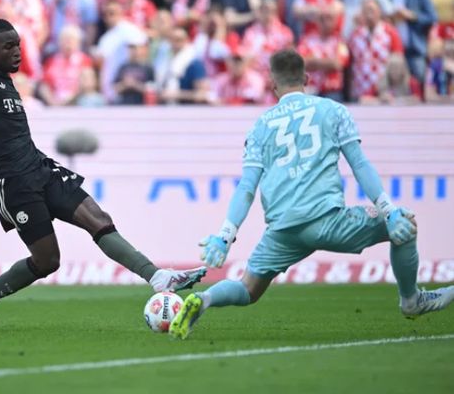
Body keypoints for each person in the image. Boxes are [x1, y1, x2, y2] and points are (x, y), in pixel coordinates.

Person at [0, 19, 206, 330]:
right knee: (47, 261)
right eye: (8, 46)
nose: (17, 52)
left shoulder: (2, 78)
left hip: (39, 167)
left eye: (18, 45)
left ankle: (157, 277)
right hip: (10, 181)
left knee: (99, 219)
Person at [169, 49, 454, 340]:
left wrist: (225, 236)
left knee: (248, 288)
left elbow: (246, 188)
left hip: (283, 230)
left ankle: (204, 299)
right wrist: (389, 210)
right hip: (329, 221)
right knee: (406, 224)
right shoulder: (333, 110)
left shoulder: (260, 127)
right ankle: (411, 300)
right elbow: (359, 164)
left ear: (272, 84)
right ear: (306, 78)